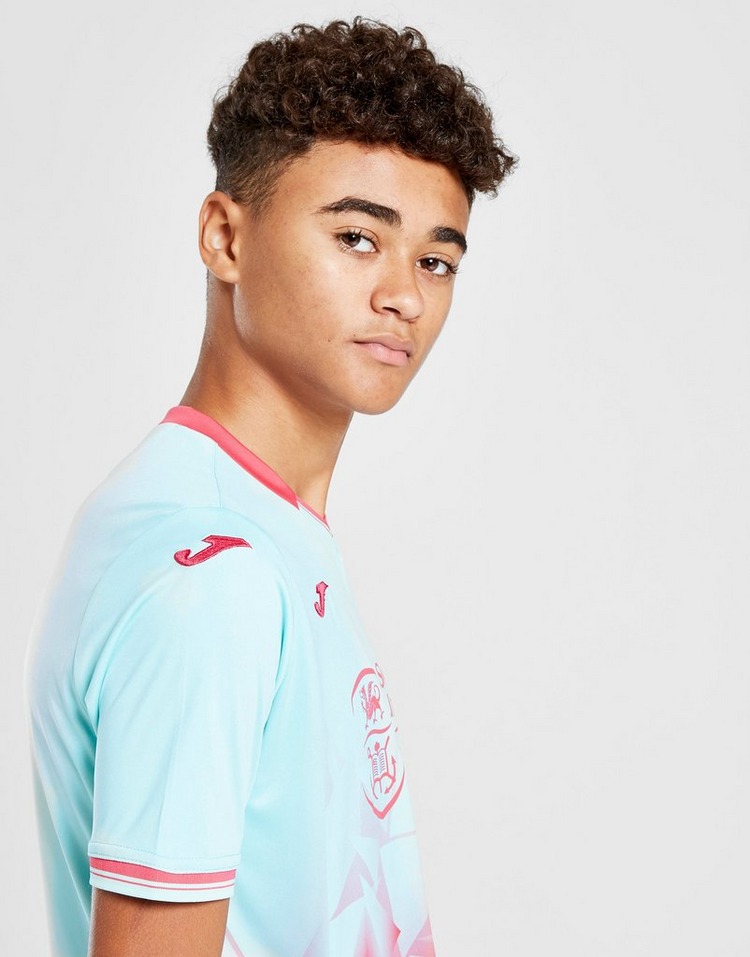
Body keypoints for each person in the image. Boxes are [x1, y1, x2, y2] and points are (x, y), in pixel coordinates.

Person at [25, 17, 517, 957]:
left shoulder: (254, 523)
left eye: (435, 260)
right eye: (357, 237)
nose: (406, 296)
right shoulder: (213, 572)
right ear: (225, 237)